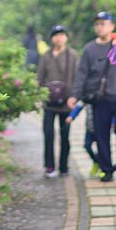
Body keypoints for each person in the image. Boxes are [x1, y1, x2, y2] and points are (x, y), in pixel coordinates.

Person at [67, 11, 116, 182]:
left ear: (111, 26)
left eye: (103, 23)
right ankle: (107, 168)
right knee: (101, 134)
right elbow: (81, 74)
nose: (99, 27)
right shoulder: (89, 49)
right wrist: (75, 96)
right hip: (99, 98)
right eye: (97, 24)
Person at [37, 24, 79, 178]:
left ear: (66, 37)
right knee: (48, 134)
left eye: (62, 34)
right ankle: (49, 166)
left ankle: (64, 166)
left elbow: (77, 78)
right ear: (51, 38)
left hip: (66, 103)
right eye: (56, 35)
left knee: (65, 136)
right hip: (49, 103)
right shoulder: (46, 56)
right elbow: (39, 78)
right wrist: (38, 95)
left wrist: (75, 97)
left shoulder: (73, 55)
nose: (59, 37)